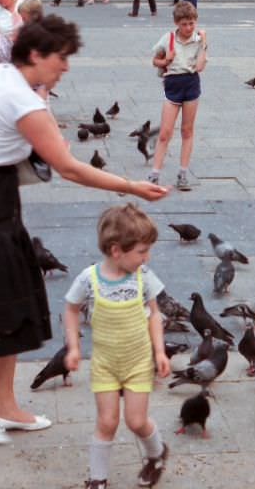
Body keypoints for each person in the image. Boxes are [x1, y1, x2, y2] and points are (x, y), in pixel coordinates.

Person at [0, 15, 167, 446]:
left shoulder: (0, 75)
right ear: (35, 55)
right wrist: (130, 185)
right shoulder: (19, 100)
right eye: (60, 58)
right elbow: (68, 167)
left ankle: (5, 406)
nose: (66, 66)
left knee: (6, 312)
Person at [63, 203, 170, 489]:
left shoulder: (143, 277)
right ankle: (97, 479)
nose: (146, 257)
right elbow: (71, 309)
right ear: (115, 250)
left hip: (137, 363)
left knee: (136, 421)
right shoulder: (89, 279)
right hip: (105, 365)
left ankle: (156, 453)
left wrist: (159, 352)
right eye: (141, 251)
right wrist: (73, 347)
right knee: (107, 422)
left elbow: (154, 315)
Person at [150, 1, 207, 191]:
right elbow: (155, 60)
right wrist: (165, 60)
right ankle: (154, 174)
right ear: (177, 23)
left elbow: (199, 67)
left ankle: (183, 173)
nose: (189, 28)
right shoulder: (168, 39)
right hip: (173, 84)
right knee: (165, 132)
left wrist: (204, 44)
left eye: (192, 23)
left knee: (187, 131)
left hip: (191, 83)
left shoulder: (198, 40)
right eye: (184, 24)